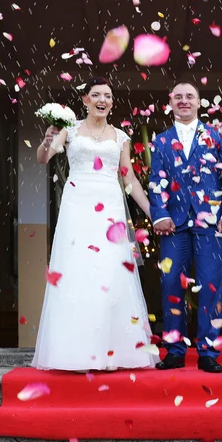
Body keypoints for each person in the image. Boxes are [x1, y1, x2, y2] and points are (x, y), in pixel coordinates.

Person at [31, 77, 159, 372]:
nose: (103, 100)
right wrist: (48, 140)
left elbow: (129, 179)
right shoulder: (70, 130)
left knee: (111, 274)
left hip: (110, 210)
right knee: (77, 273)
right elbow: (43, 158)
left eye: (108, 96)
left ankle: (114, 351)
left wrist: (154, 212)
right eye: (96, 95)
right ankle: (74, 352)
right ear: (86, 100)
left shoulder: (121, 136)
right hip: (77, 208)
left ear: (112, 103)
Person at [149, 82, 222, 373]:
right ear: (171, 102)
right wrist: (159, 214)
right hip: (173, 226)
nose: (184, 101)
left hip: (211, 223)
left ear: (199, 102)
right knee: (170, 284)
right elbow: (156, 180)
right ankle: (175, 349)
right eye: (178, 97)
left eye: (189, 96)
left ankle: (207, 351)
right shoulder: (161, 141)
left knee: (212, 285)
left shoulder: (217, 137)